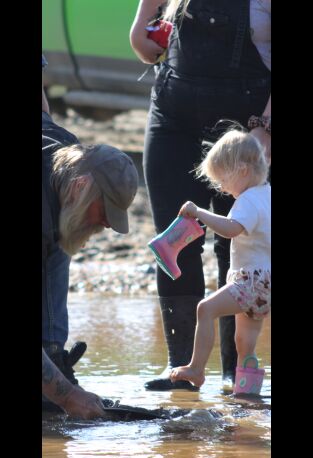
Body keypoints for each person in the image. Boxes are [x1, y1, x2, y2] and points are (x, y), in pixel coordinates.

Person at [130, 0, 271, 391]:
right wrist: (141, 29)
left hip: (248, 126)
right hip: (174, 115)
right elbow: (143, 36)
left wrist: (267, 127)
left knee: (238, 244)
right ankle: (181, 369)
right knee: (174, 238)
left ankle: (233, 372)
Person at [42, 78, 139, 415]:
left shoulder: (66, 147)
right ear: (81, 185)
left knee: (64, 234)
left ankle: (52, 356)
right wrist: (67, 396)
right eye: (106, 211)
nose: (108, 225)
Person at [170, 128, 271, 388]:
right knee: (244, 344)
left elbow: (231, 229)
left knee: (206, 308)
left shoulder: (248, 200)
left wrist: (199, 212)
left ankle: (195, 369)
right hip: (264, 282)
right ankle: (247, 396)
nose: (221, 188)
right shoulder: (267, 194)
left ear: (243, 170)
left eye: (223, 180)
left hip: (253, 281)